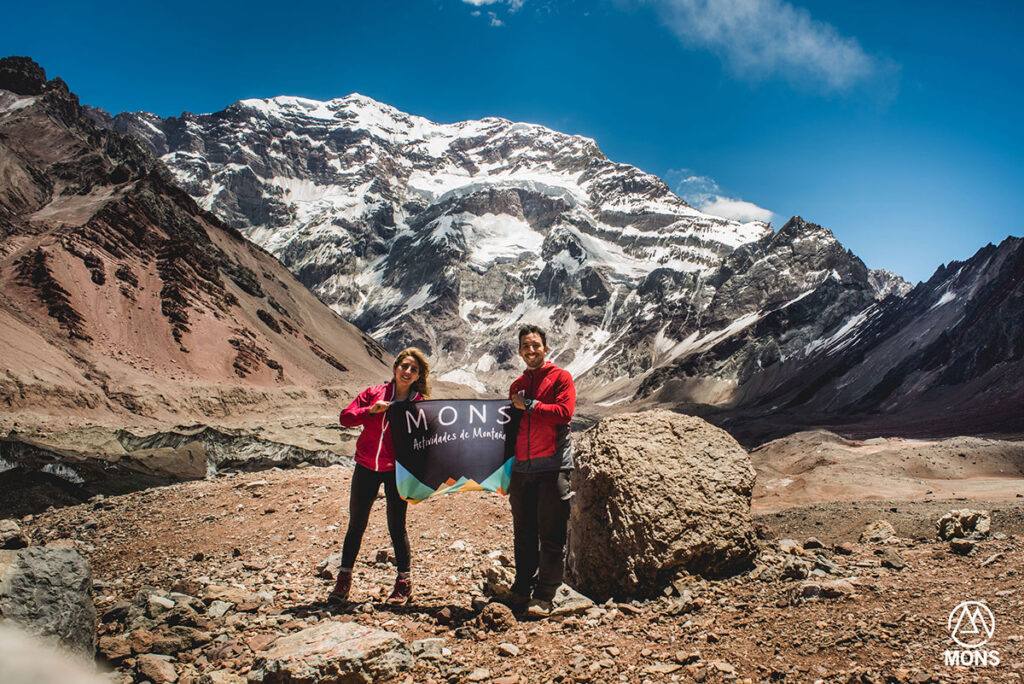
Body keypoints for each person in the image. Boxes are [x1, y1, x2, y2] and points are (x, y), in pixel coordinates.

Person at [329, 347, 431, 605]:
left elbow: (428, 439)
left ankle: (404, 582)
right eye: (404, 366)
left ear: (418, 375)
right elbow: (345, 418)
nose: (407, 372)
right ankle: (344, 579)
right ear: (395, 367)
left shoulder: (418, 405)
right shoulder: (373, 394)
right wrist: (370, 411)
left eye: (413, 369)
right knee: (356, 524)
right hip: (366, 467)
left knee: (397, 526)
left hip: (396, 471)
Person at [507, 324, 576, 617]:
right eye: (525, 346)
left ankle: (546, 594)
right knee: (523, 533)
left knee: (551, 534)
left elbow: (564, 412)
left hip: (553, 466)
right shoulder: (516, 386)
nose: (531, 350)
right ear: (520, 351)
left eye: (536, 345)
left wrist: (531, 405)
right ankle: (522, 588)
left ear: (546, 349)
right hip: (522, 470)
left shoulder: (561, 378)